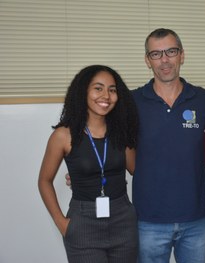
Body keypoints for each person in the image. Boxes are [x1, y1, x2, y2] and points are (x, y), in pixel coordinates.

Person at [38, 65, 139, 263]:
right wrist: (62, 223)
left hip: (123, 220)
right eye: (98, 88)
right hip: (83, 223)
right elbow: (44, 181)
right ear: (83, 91)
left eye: (112, 90)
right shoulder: (63, 135)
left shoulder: (120, 132)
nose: (106, 96)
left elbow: (136, 170)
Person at [131, 28, 205, 263]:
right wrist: (85, 172)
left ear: (182, 55)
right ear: (148, 61)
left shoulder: (203, 99)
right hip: (148, 220)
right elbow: (112, 144)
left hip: (196, 219)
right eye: (156, 54)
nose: (164, 59)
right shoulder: (132, 101)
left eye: (171, 51)